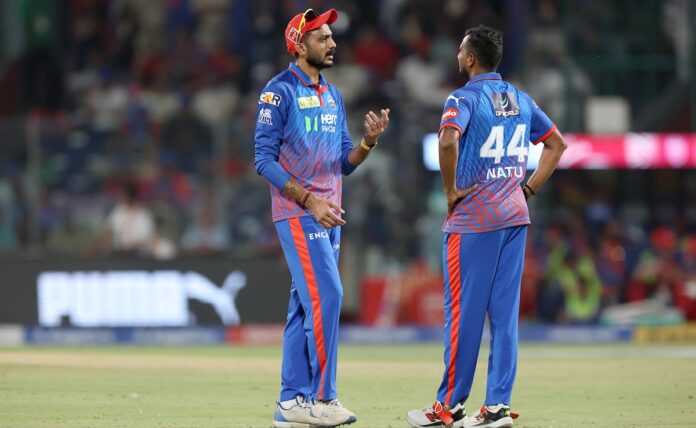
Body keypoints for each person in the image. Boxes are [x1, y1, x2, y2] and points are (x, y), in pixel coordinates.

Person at [407, 25, 566, 428]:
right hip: (514, 216)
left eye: (461, 49)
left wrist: (449, 190)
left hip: (474, 219)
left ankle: (448, 405)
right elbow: (556, 145)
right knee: (504, 317)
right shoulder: (520, 98)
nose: (458, 55)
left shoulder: (462, 98)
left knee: (463, 315)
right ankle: (497, 407)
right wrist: (528, 189)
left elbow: (448, 141)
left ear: (471, 58)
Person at [254, 8, 390, 428]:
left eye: (331, 36)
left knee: (302, 305)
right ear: (298, 44)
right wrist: (309, 201)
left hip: (329, 214)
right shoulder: (278, 92)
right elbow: (263, 160)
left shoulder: (333, 94)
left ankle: (291, 402)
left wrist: (367, 143)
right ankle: (324, 398)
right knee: (328, 295)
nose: (332, 43)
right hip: (300, 213)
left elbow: (344, 162)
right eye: (322, 37)